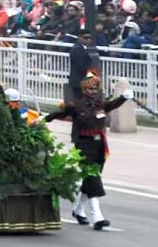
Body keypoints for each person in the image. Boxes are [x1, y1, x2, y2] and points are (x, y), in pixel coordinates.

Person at [42, 72, 134, 230]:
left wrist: (124, 98)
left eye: (95, 88)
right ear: (84, 89)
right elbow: (60, 113)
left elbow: (112, 105)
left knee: (91, 177)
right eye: (90, 88)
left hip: (100, 145)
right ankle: (97, 217)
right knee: (92, 177)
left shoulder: (101, 104)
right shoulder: (76, 105)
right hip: (84, 144)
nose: (93, 91)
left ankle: (78, 211)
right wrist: (43, 119)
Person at [68, 28, 99, 103]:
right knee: (80, 103)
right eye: (86, 38)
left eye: (90, 38)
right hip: (79, 82)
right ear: (79, 37)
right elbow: (83, 66)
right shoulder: (77, 49)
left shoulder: (81, 48)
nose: (88, 40)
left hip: (82, 81)